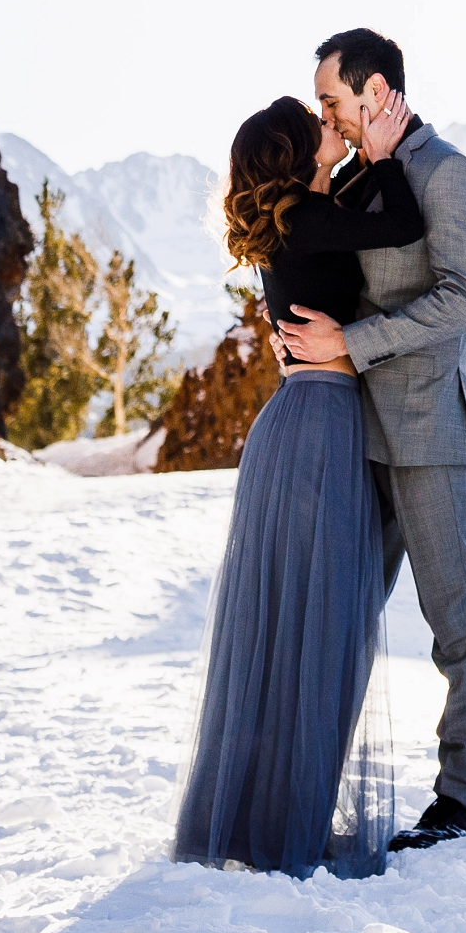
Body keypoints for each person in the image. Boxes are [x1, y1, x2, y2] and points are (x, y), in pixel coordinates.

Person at [169, 97, 398, 876]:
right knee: (315, 620)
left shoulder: (299, 217)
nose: (336, 125)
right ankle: (281, 827)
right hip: (319, 425)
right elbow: (397, 224)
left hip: (298, 420)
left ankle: (257, 816)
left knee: (290, 623)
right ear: (300, 153)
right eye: (323, 123)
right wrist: (387, 154)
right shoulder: (304, 214)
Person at [297, 24, 466, 850]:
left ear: (375, 92)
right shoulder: (354, 181)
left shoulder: (448, 174)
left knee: (455, 621)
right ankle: (307, 785)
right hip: (354, 433)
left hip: (425, 432)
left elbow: (465, 300)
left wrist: (350, 342)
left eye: (332, 101)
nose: (328, 116)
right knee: (340, 617)